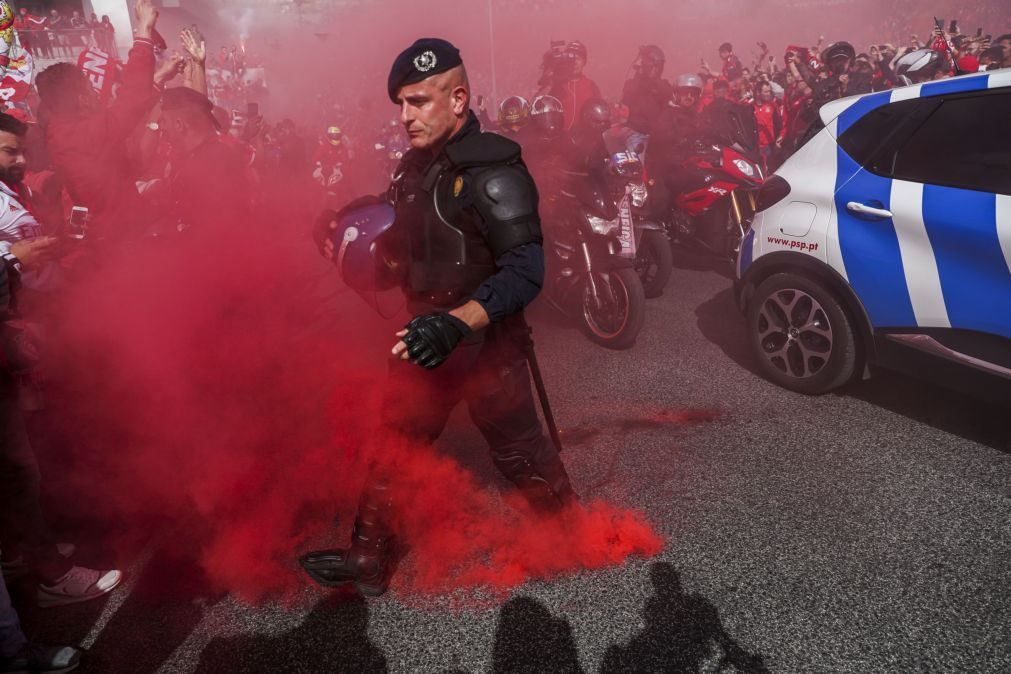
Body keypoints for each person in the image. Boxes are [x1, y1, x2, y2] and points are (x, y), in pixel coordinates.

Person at [302, 37, 576, 597]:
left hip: (484, 344)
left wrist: (456, 323)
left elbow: (526, 270)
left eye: (419, 101)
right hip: (421, 340)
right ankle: (368, 558)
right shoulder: (413, 169)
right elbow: (403, 250)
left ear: (458, 99)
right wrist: (342, 237)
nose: (406, 116)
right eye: (401, 103)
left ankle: (571, 537)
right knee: (394, 446)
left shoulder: (493, 171)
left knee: (519, 448)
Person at [35, 0, 181, 239]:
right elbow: (131, 98)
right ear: (82, 99)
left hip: (120, 232)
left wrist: (158, 79)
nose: (96, 94)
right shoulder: (78, 135)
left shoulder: (68, 131)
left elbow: (129, 151)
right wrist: (143, 30)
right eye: (91, 89)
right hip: (116, 243)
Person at [536, 40, 600, 131]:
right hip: (557, 139)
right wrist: (551, 81)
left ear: (584, 62)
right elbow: (536, 105)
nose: (574, 63)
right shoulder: (556, 83)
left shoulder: (591, 86)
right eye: (571, 59)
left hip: (584, 141)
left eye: (578, 59)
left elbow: (599, 116)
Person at [621, 45, 673, 136]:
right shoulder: (632, 84)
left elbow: (666, 95)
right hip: (633, 136)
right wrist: (638, 73)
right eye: (648, 66)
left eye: (656, 67)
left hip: (655, 137)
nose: (654, 70)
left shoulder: (664, 86)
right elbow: (627, 99)